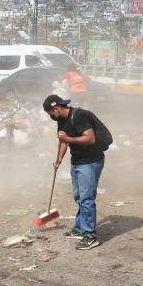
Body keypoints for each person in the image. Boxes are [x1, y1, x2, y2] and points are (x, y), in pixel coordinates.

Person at [43, 94, 104, 251]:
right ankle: (79, 229)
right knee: (79, 197)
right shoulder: (61, 120)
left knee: (87, 199)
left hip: (90, 162)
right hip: (77, 162)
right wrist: (59, 159)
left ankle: (91, 236)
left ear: (56, 108)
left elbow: (90, 139)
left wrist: (68, 139)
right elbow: (63, 141)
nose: (51, 117)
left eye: (50, 113)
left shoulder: (79, 116)